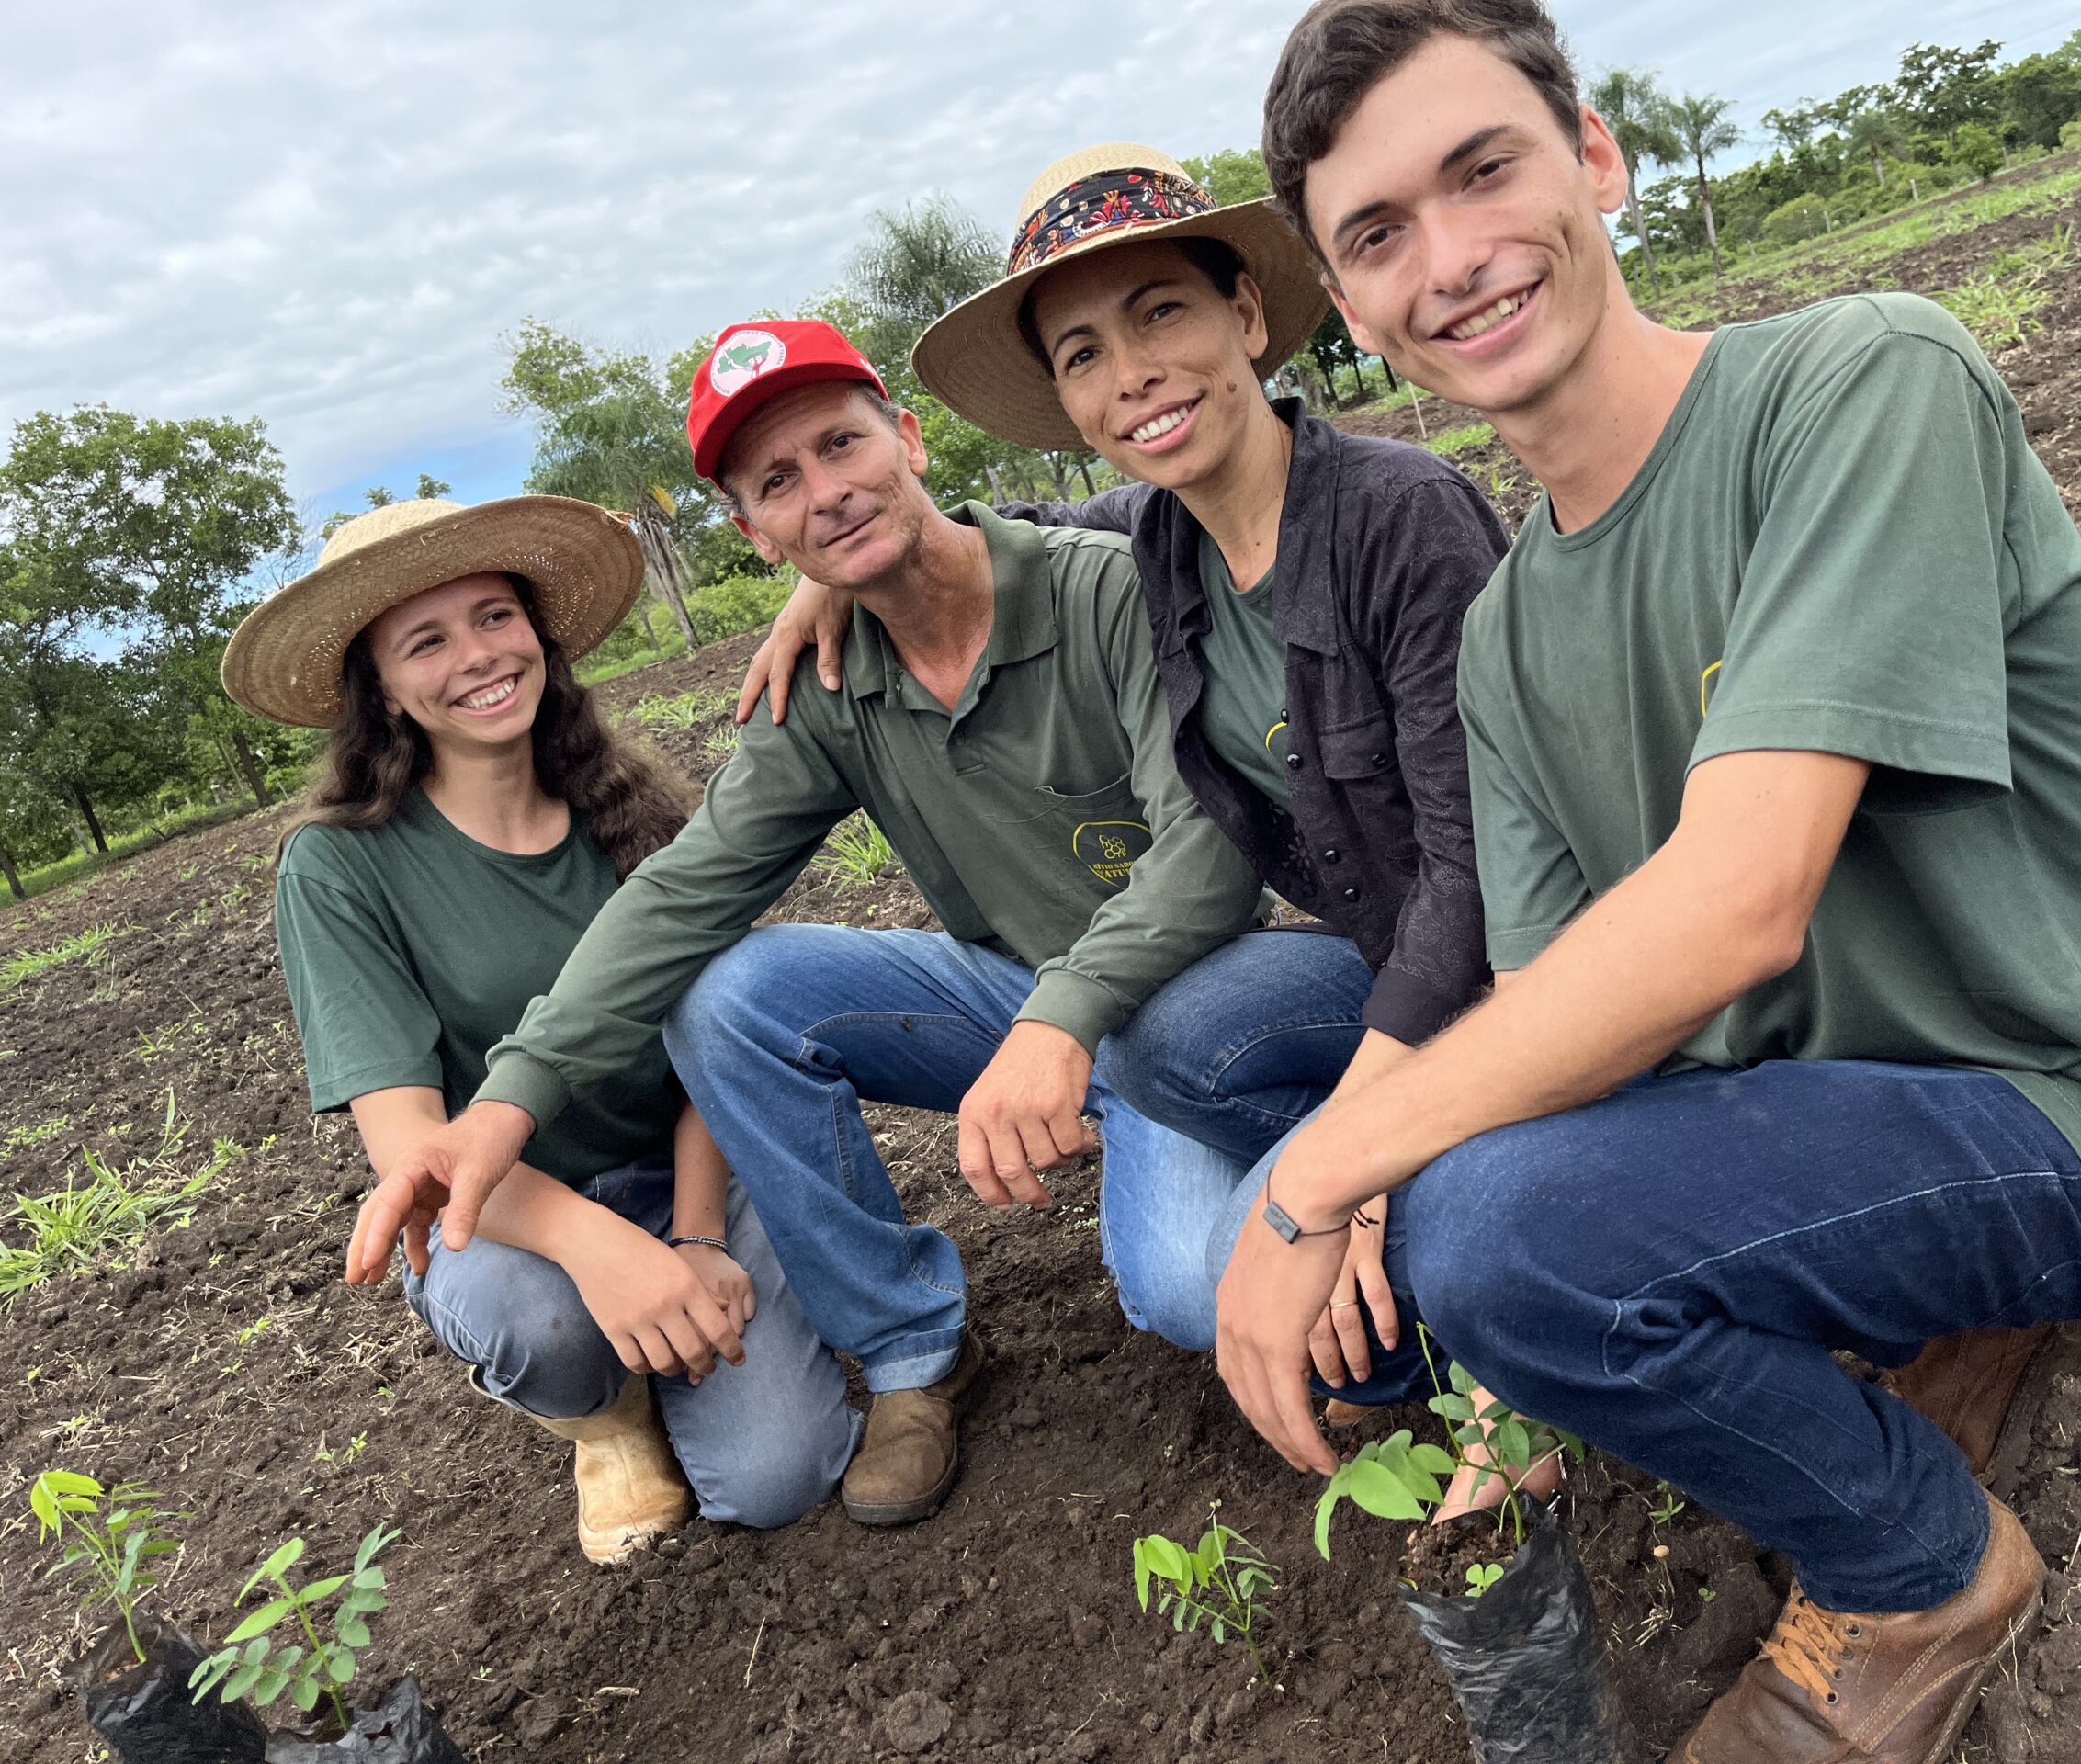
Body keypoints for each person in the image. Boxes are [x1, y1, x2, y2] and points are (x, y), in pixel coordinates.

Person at [1209, 5, 2081, 1761]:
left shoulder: (1860, 382)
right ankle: (1943, 1335)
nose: (1451, 260)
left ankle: (1925, 1568)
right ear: (1346, 304)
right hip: (1849, 1123)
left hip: (2080, 1117)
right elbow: (1579, 1025)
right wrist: (1454, 1314)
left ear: (1597, 159)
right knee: (1472, 1229)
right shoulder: (1507, 634)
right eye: (1377, 237)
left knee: (1482, 1224)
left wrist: (1326, 1175)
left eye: (1485, 172)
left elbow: (1741, 901)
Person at [347, 322, 1268, 1528]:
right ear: (752, 532)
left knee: (1190, 1293)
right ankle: (913, 1355)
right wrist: (504, 1107)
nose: (825, 492)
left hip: (1185, 1005)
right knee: (726, 990)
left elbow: (1210, 849)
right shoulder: (831, 685)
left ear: (911, 438)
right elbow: (679, 900)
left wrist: (1065, 1020)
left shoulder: (1101, 593)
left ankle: (1307, 1157)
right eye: (778, 482)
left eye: (841, 444)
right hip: (1013, 1010)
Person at [742, 143, 1508, 1389]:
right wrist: (822, 584)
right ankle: (1415, 1237)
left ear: (1247, 313)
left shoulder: (1397, 518)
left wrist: (1357, 1158)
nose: (1131, 370)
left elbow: (1481, 879)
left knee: (1264, 1241)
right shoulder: (1153, 538)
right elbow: (990, 542)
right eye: (1084, 351)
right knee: (1168, 1100)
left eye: (1161, 311)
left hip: (1512, 977)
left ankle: (1478, 1266)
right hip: (1378, 974)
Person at [224, 495, 858, 1563]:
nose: (476, 656)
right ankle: (603, 1420)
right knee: (548, 1330)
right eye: (425, 641)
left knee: (779, 1481)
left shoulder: (638, 806)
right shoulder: (339, 866)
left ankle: (687, 1330)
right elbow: (415, 1158)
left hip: (694, 1176)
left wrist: (694, 1239)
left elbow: (721, 1042)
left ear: (538, 632)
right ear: (379, 687)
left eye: (493, 617)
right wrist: (598, 1246)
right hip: (508, 1223)